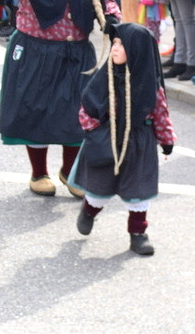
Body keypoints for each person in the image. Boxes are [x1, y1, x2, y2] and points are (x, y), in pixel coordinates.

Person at [0, 0, 119, 196]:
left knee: (78, 115)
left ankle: (70, 172)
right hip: (36, 49)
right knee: (36, 114)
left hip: (77, 51)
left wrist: (111, 18)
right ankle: (38, 173)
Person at [71, 23, 176, 256]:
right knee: (99, 189)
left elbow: (160, 113)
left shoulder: (150, 84)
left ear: (137, 50)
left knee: (138, 192)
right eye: (114, 44)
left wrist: (166, 140)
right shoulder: (103, 78)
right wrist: (95, 132)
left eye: (122, 44)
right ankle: (89, 211)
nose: (115, 49)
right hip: (106, 139)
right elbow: (86, 110)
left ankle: (138, 234)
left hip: (139, 143)